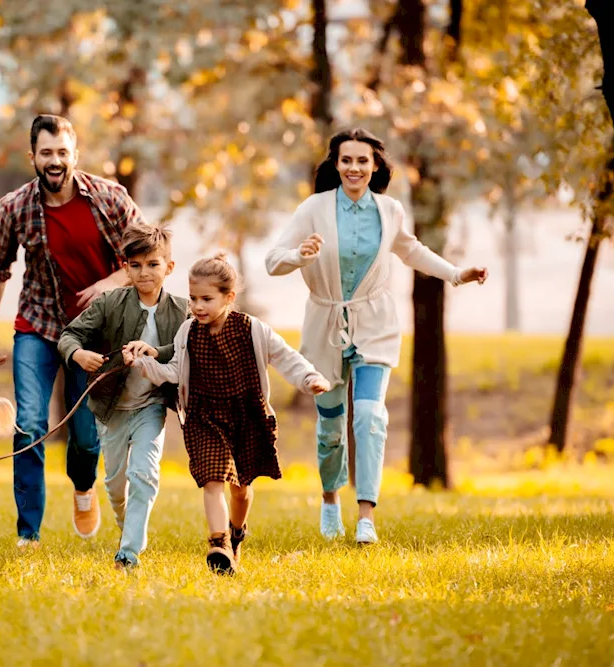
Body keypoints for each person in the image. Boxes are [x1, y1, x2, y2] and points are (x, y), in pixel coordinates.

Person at [264, 127, 488, 545]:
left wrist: (457, 274)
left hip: (375, 325)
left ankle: (366, 515)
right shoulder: (313, 209)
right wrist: (299, 255)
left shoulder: (389, 210)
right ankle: (330, 499)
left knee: (369, 417)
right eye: (346, 160)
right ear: (335, 164)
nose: (354, 168)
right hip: (325, 325)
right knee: (331, 427)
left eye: (362, 161)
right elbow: (272, 261)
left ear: (375, 166)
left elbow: (412, 251)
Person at [0, 114, 145, 547]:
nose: (54, 161)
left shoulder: (111, 199)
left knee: (87, 437)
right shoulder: (15, 207)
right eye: (46, 153)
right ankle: (28, 533)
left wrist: (108, 283)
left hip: (95, 334)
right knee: (30, 424)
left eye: (62, 153)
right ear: (32, 156)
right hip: (38, 326)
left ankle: (83, 486)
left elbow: (151, 254)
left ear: (75, 155)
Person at [130, 254, 330, 575]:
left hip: (246, 415)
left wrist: (309, 379)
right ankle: (219, 543)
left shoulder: (252, 329)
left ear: (229, 297)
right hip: (204, 415)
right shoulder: (188, 332)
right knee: (212, 480)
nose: (197, 306)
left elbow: (285, 356)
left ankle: (236, 534)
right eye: (194, 298)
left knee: (240, 489)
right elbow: (173, 371)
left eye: (207, 299)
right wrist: (143, 363)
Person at [57, 222, 189, 570]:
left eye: (153, 264)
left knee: (144, 474)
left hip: (152, 406)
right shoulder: (111, 302)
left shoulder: (182, 310)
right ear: (126, 267)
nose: (144, 272)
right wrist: (78, 355)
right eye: (136, 265)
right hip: (111, 408)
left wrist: (154, 352)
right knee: (116, 485)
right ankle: (126, 525)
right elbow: (69, 335)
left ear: (169, 267)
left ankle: (128, 553)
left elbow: (184, 349)